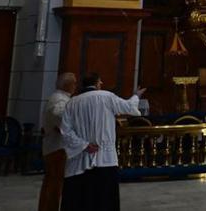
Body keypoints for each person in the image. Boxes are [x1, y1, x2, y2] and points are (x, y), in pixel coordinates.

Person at [59, 73, 145, 211]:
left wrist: (84, 145)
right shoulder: (106, 96)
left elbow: (65, 131)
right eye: (100, 82)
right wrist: (136, 96)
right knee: (104, 200)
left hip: (79, 160)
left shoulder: (72, 103)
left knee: (80, 201)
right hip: (104, 158)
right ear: (97, 83)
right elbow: (129, 107)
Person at [39, 72, 76, 211]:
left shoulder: (59, 97)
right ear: (68, 85)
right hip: (57, 148)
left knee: (53, 183)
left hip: (56, 147)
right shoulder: (60, 100)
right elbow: (59, 117)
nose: (75, 86)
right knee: (54, 185)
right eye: (74, 83)